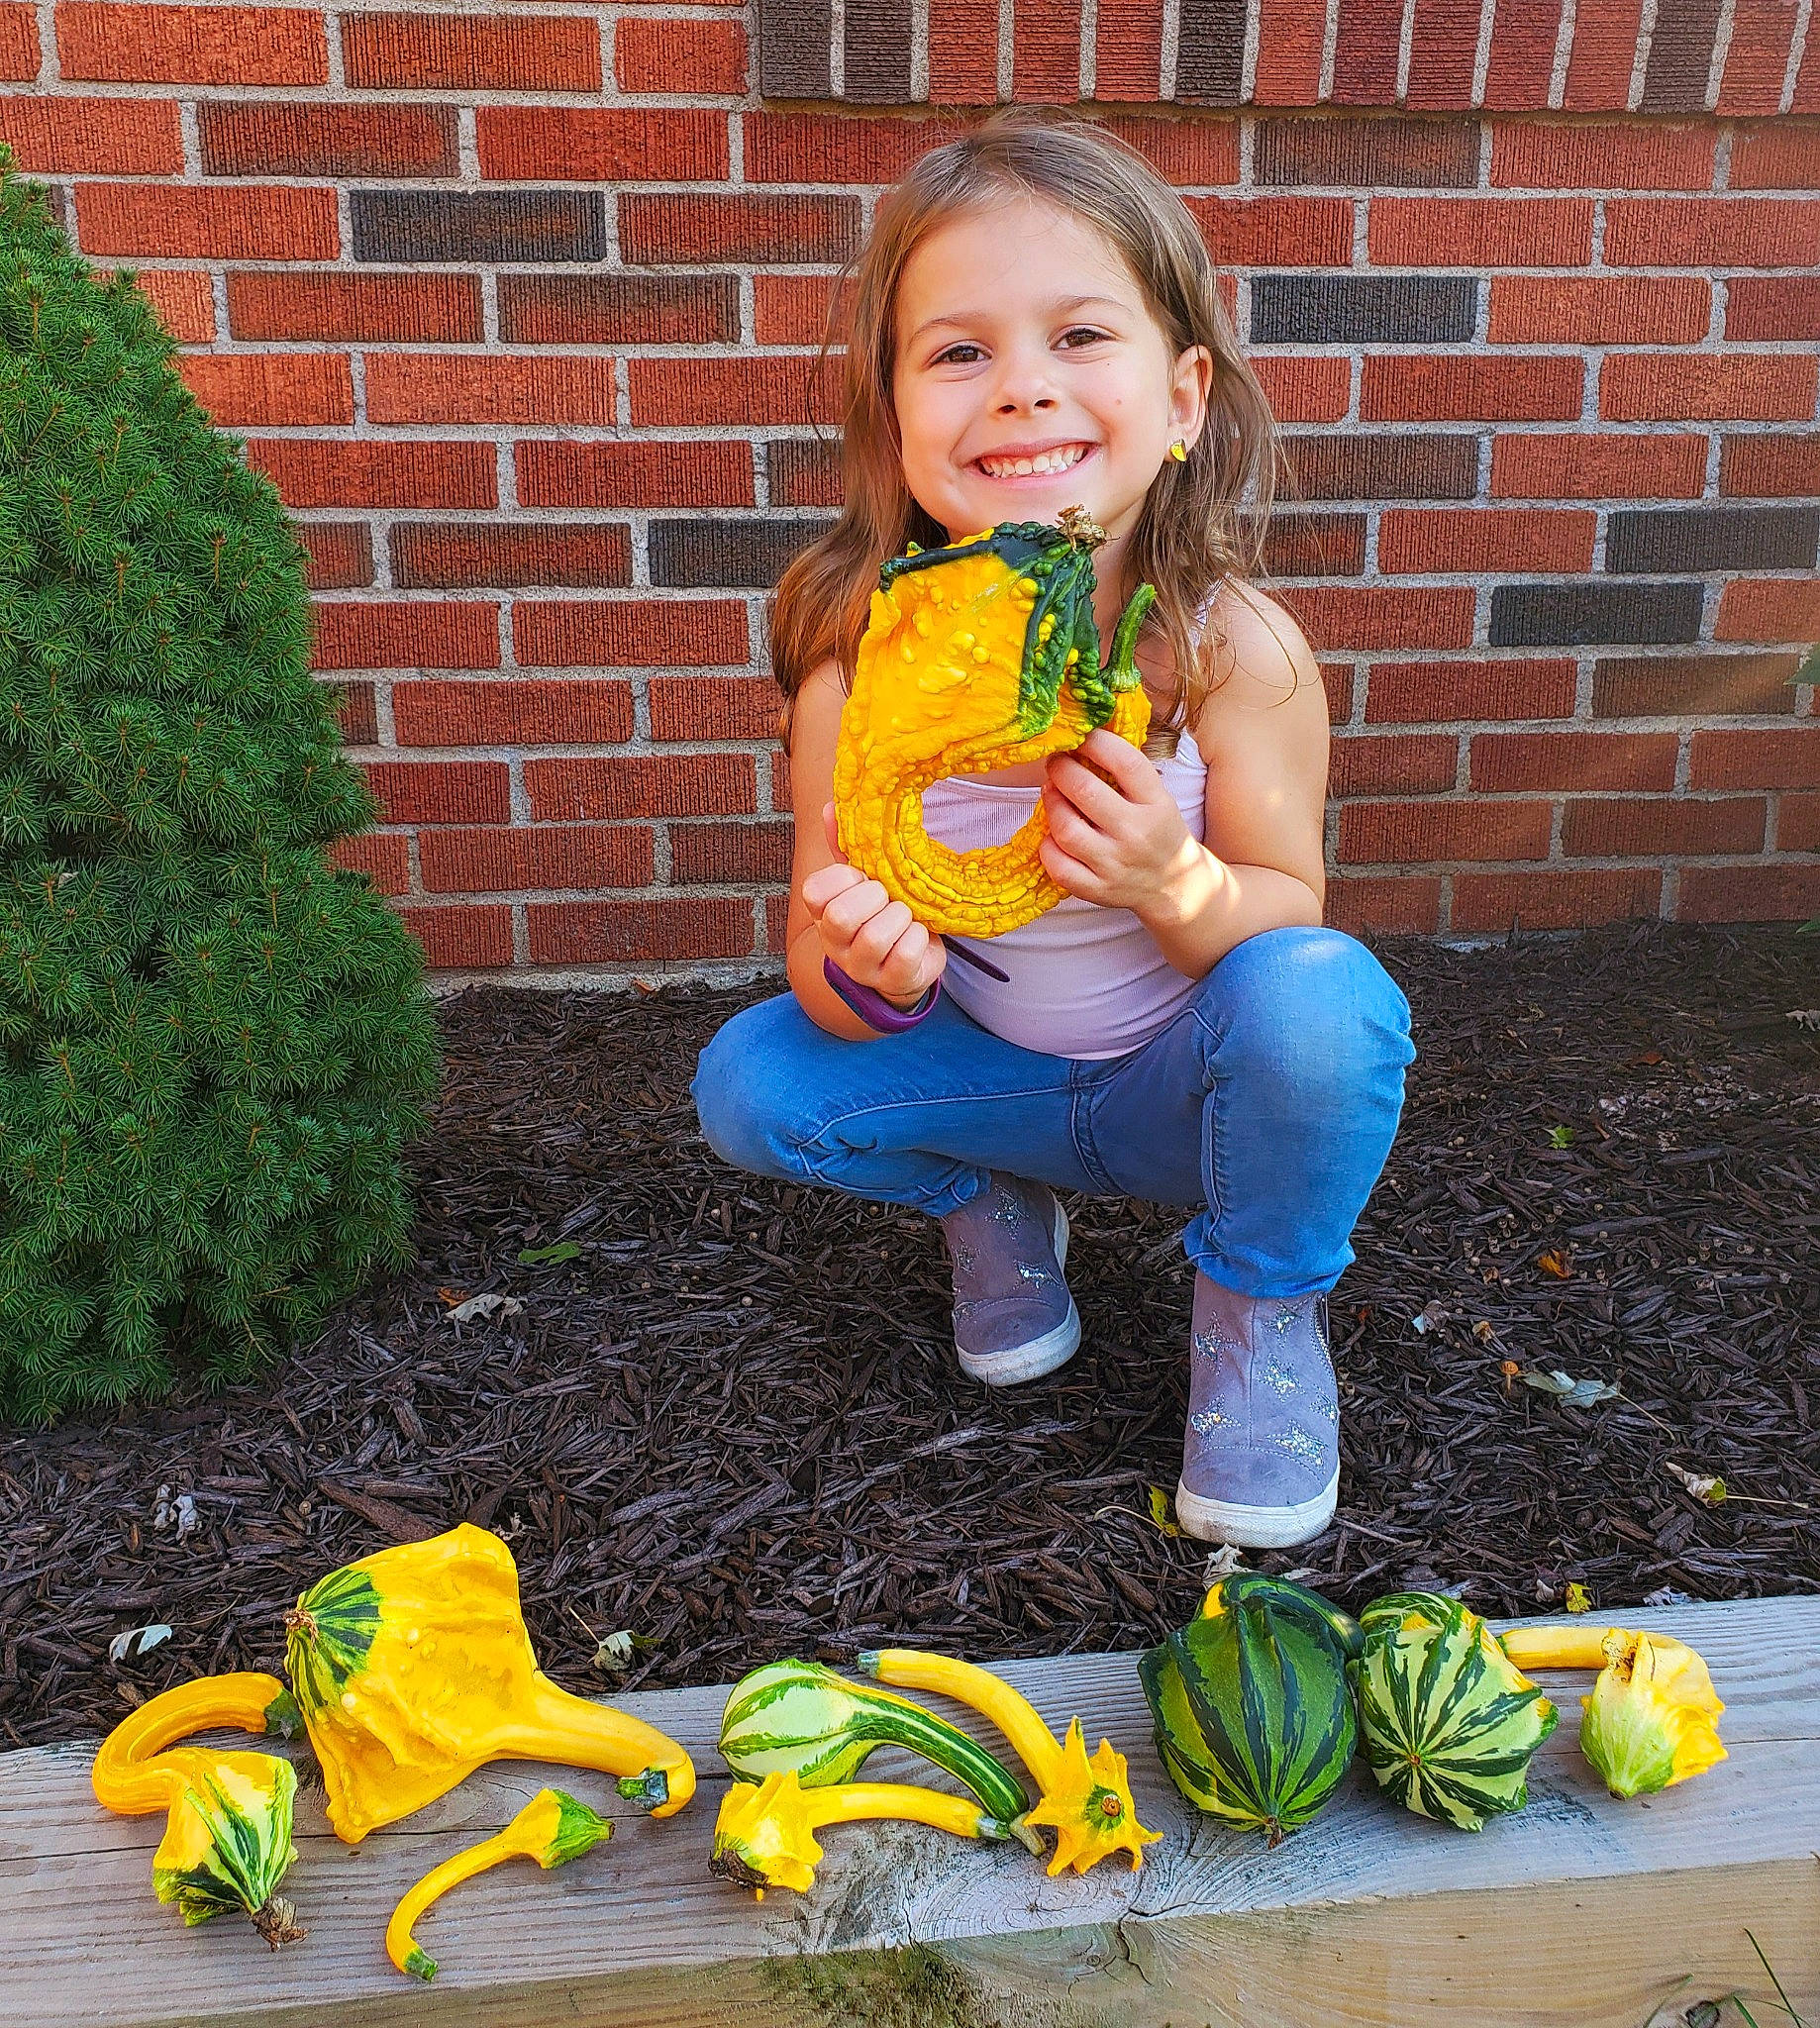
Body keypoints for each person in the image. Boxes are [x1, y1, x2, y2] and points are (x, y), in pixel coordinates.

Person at [691, 109, 1414, 1550]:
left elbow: (1290, 905)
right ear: (895, 415)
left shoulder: (1233, 653)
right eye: (958, 352)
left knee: (1325, 1002)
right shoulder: (857, 665)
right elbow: (819, 948)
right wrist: (875, 975)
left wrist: (1176, 882)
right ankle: (987, 1205)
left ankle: (1259, 1314)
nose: (1020, 392)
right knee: (751, 1079)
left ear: (1184, 394)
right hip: (984, 1078)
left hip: (1177, 1098)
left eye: (1079, 337)